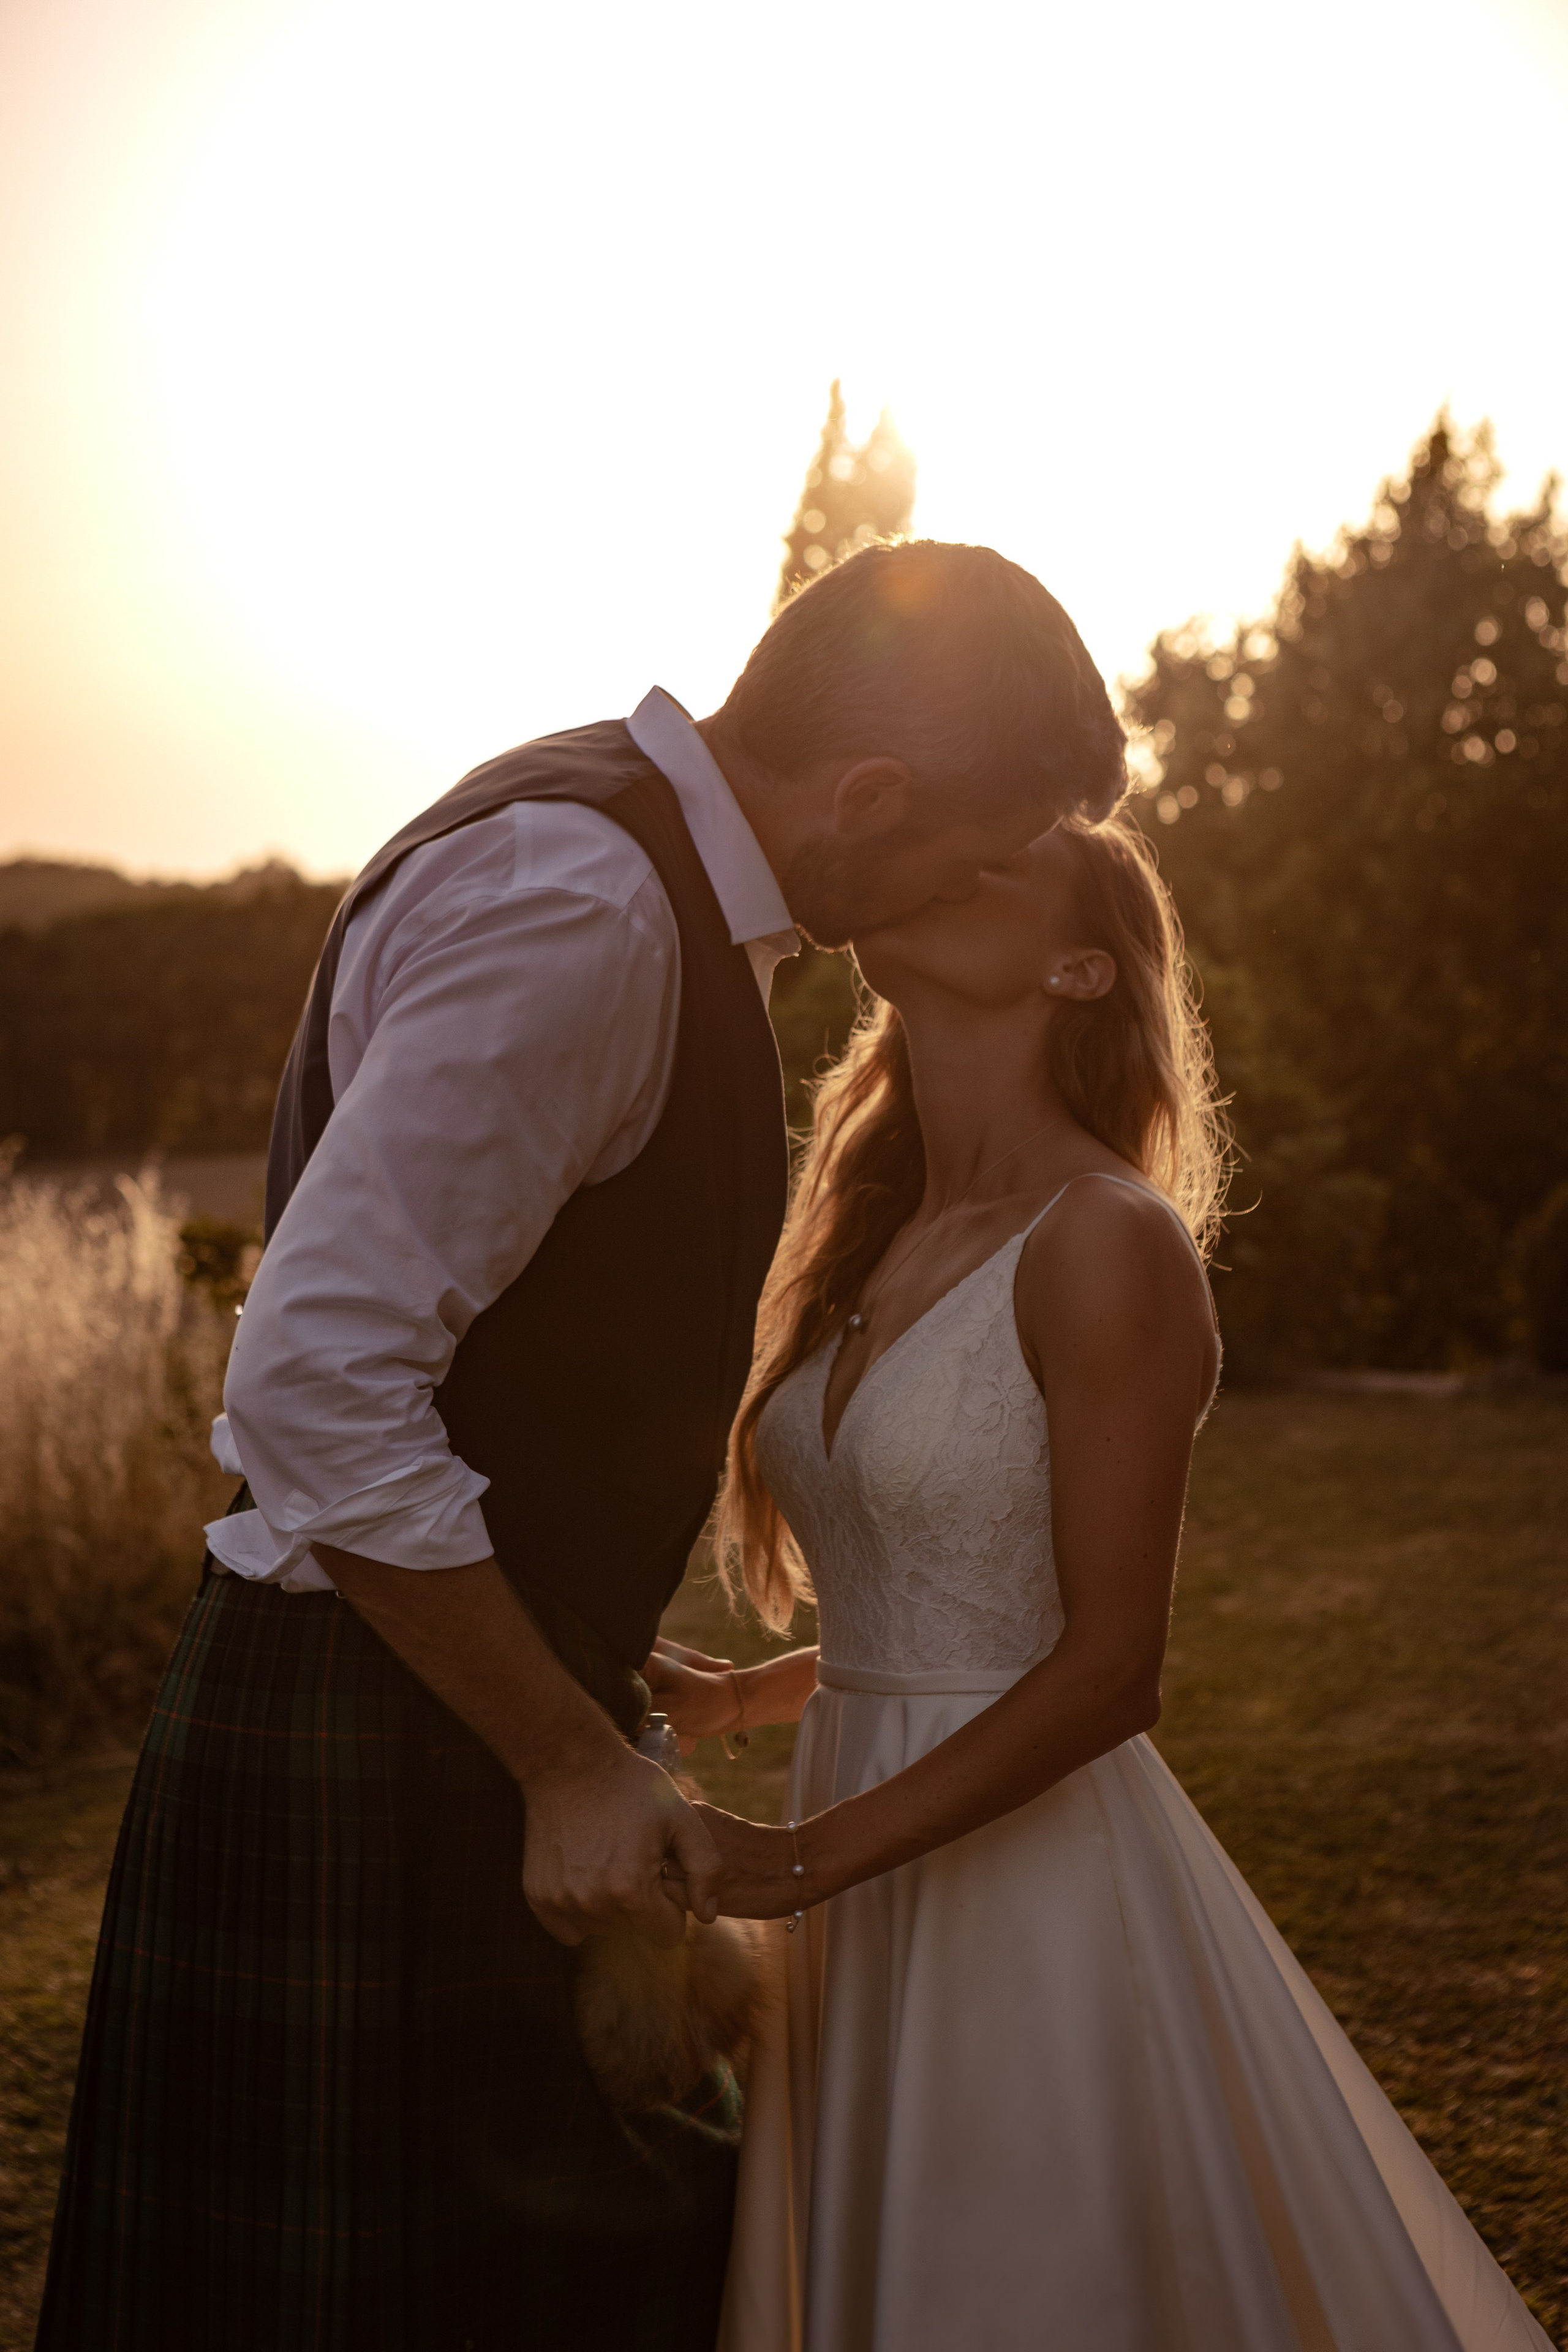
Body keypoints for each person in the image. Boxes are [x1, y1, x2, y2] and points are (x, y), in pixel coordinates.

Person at [35, 542, 1129, 2352]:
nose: (975, 887)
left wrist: (576, 1641)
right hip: (387, 1731)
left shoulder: (605, 857)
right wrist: (560, 1751)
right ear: (869, 794)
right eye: (979, 846)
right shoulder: (594, 906)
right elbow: (317, 1376)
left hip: (435, 1693)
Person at [647, 810, 1553, 2351]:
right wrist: (750, 1691)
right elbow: (954, 1585)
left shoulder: (1105, 1241)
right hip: (865, 1839)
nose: (949, 861)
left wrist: (793, 1865)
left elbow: (1107, 1667)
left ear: (1080, 969)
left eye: (999, 863)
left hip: (1017, 1885)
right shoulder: (879, 1234)